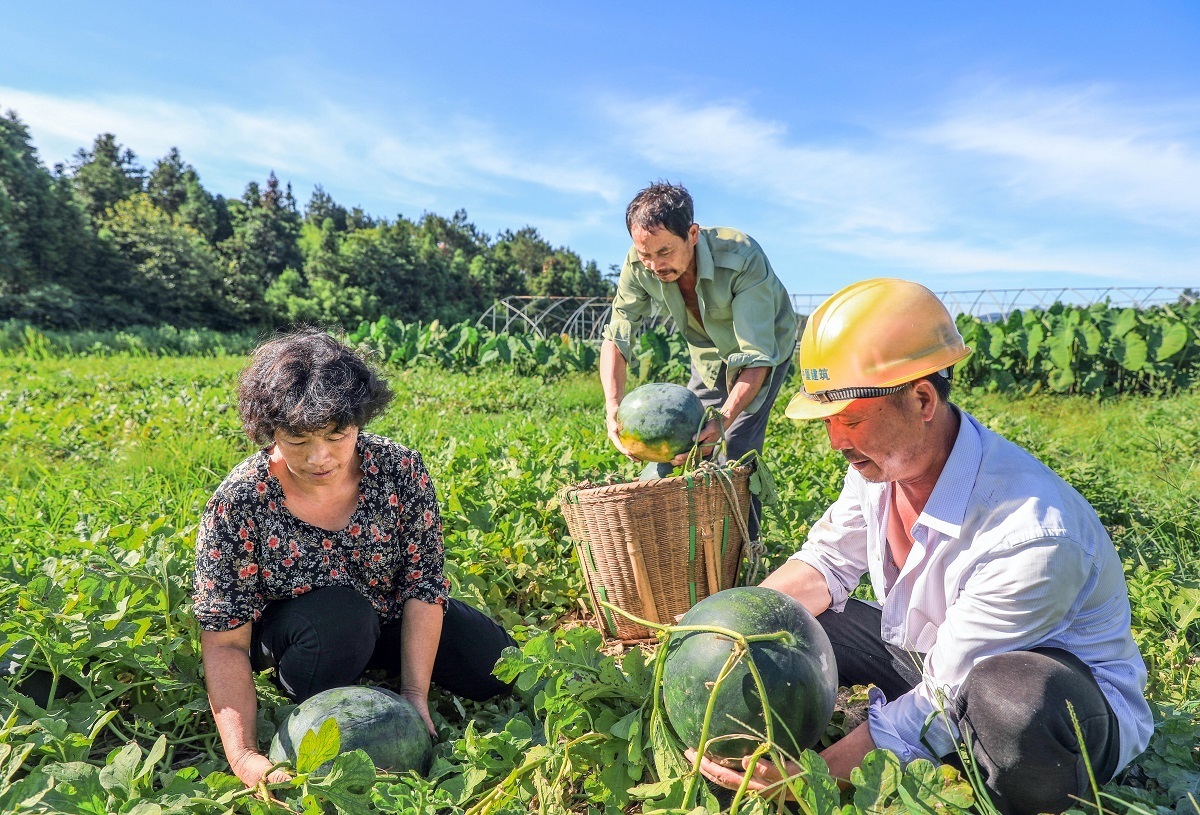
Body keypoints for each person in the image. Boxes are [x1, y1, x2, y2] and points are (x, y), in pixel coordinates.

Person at [694, 279, 1153, 815]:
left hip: (1057, 706)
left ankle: (1007, 789)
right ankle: (929, 758)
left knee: (1009, 699)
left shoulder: (1031, 533)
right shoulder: (878, 467)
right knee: (795, 624)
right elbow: (823, 564)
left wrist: (812, 780)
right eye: (827, 422)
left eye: (852, 419)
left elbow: (943, 695)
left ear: (921, 399)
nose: (837, 441)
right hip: (941, 660)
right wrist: (729, 632)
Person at [192, 329, 515, 788]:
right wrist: (244, 755)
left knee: (497, 665)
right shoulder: (241, 500)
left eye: (336, 434)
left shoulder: (399, 470)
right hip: (305, 634)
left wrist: (414, 695)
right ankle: (318, 686)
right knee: (344, 618)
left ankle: (383, 667)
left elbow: (424, 587)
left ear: (359, 421)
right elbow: (224, 641)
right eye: (297, 440)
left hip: (386, 618)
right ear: (270, 432)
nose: (319, 457)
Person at [601, 182, 797, 534]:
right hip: (706, 351)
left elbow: (756, 356)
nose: (654, 265)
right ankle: (672, 539)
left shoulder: (741, 256)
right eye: (645, 254)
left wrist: (723, 418)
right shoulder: (639, 263)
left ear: (692, 234)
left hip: (762, 350)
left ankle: (740, 553)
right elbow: (617, 335)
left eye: (664, 252)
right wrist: (612, 406)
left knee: (735, 448)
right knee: (680, 439)